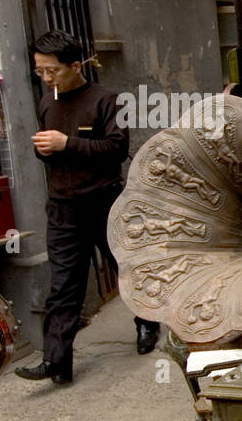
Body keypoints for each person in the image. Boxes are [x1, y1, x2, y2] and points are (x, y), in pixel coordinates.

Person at [18, 30, 158, 385]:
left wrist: (67, 143)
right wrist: (45, 149)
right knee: (63, 285)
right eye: (40, 72)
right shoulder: (47, 102)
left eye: (53, 71)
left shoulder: (108, 101)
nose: (47, 79)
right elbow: (49, 150)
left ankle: (146, 323)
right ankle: (56, 362)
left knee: (125, 270)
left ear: (75, 66)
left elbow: (116, 150)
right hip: (63, 207)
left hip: (104, 202)